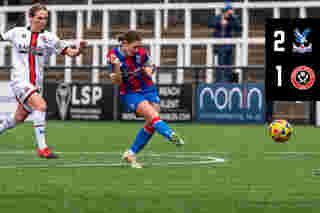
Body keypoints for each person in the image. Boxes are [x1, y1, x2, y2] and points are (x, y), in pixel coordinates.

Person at [0, 0, 87, 159]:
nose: (42, 21)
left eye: (45, 18)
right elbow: (2, 37)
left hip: (35, 85)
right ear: (30, 17)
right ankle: (43, 148)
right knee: (41, 106)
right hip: (19, 81)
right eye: (39, 18)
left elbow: (70, 52)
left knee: (18, 118)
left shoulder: (49, 38)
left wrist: (79, 50)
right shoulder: (16, 32)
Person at [106, 30, 184, 168]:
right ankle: (170, 134)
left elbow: (149, 66)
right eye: (134, 47)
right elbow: (117, 81)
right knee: (153, 115)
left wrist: (149, 70)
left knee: (152, 122)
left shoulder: (141, 53)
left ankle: (131, 153)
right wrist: (117, 66)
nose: (137, 50)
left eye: (138, 47)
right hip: (130, 92)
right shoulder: (113, 56)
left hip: (148, 88)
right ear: (124, 44)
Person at [208, 5, 241, 83]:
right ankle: (220, 81)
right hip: (219, 45)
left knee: (229, 65)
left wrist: (231, 20)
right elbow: (211, 24)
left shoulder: (232, 19)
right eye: (227, 12)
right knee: (220, 64)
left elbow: (239, 27)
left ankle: (228, 81)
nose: (228, 14)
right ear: (224, 11)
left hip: (229, 45)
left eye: (230, 12)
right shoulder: (218, 17)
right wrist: (220, 22)